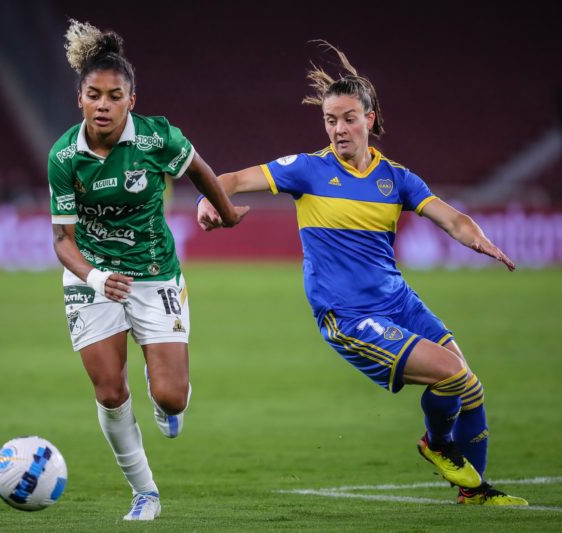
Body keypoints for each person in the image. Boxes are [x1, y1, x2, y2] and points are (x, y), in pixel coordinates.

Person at [197, 42, 527, 506]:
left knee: (470, 386)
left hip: (399, 301)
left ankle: (474, 492)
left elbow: (452, 219)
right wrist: (207, 200)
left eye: (348, 118)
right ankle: (437, 445)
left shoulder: (396, 178)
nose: (338, 129)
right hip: (349, 315)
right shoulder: (307, 170)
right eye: (330, 120)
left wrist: (480, 240)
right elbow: (231, 180)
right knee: (452, 374)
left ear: (369, 119)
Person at [49, 20, 248, 521]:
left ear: (130, 101)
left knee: (171, 397)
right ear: (79, 99)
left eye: (114, 96)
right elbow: (62, 241)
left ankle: (165, 399)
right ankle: (145, 493)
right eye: (94, 95)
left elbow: (198, 168)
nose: (103, 105)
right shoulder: (64, 157)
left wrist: (225, 212)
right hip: (93, 277)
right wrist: (95, 277)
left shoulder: (157, 137)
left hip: (155, 273)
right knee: (110, 390)